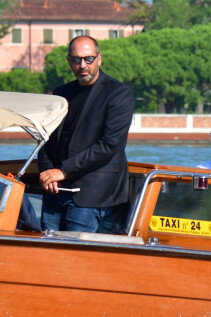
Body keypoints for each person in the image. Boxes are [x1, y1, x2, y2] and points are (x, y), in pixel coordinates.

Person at [38, 35, 134, 233]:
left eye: (88, 59)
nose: (83, 65)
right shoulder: (61, 93)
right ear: (69, 61)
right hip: (55, 192)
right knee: (46, 255)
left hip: (91, 194)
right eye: (76, 59)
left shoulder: (118, 93)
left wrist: (63, 171)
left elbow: (110, 145)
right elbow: (45, 139)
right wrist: (49, 173)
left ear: (99, 59)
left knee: (74, 258)